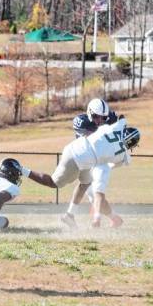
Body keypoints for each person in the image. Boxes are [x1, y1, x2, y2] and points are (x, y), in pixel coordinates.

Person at [21, 118, 140, 228]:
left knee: (86, 184)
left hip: (81, 151)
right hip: (77, 157)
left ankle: (70, 216)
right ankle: (21, 170)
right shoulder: (121, 154)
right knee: (53, 183)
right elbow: (117, 163)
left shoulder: (114, 128)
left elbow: (122, 120)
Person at [61, 98, 121, 229]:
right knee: (93, 193)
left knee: (94, 193)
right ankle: (114, 219)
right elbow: (93, 141)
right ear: (89, 113)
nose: (99, 120)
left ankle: (70, 215)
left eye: (103, 117)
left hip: (99, 160)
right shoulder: (82, 122)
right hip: (86, 157)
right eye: (96, 116)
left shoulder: (110, 118)